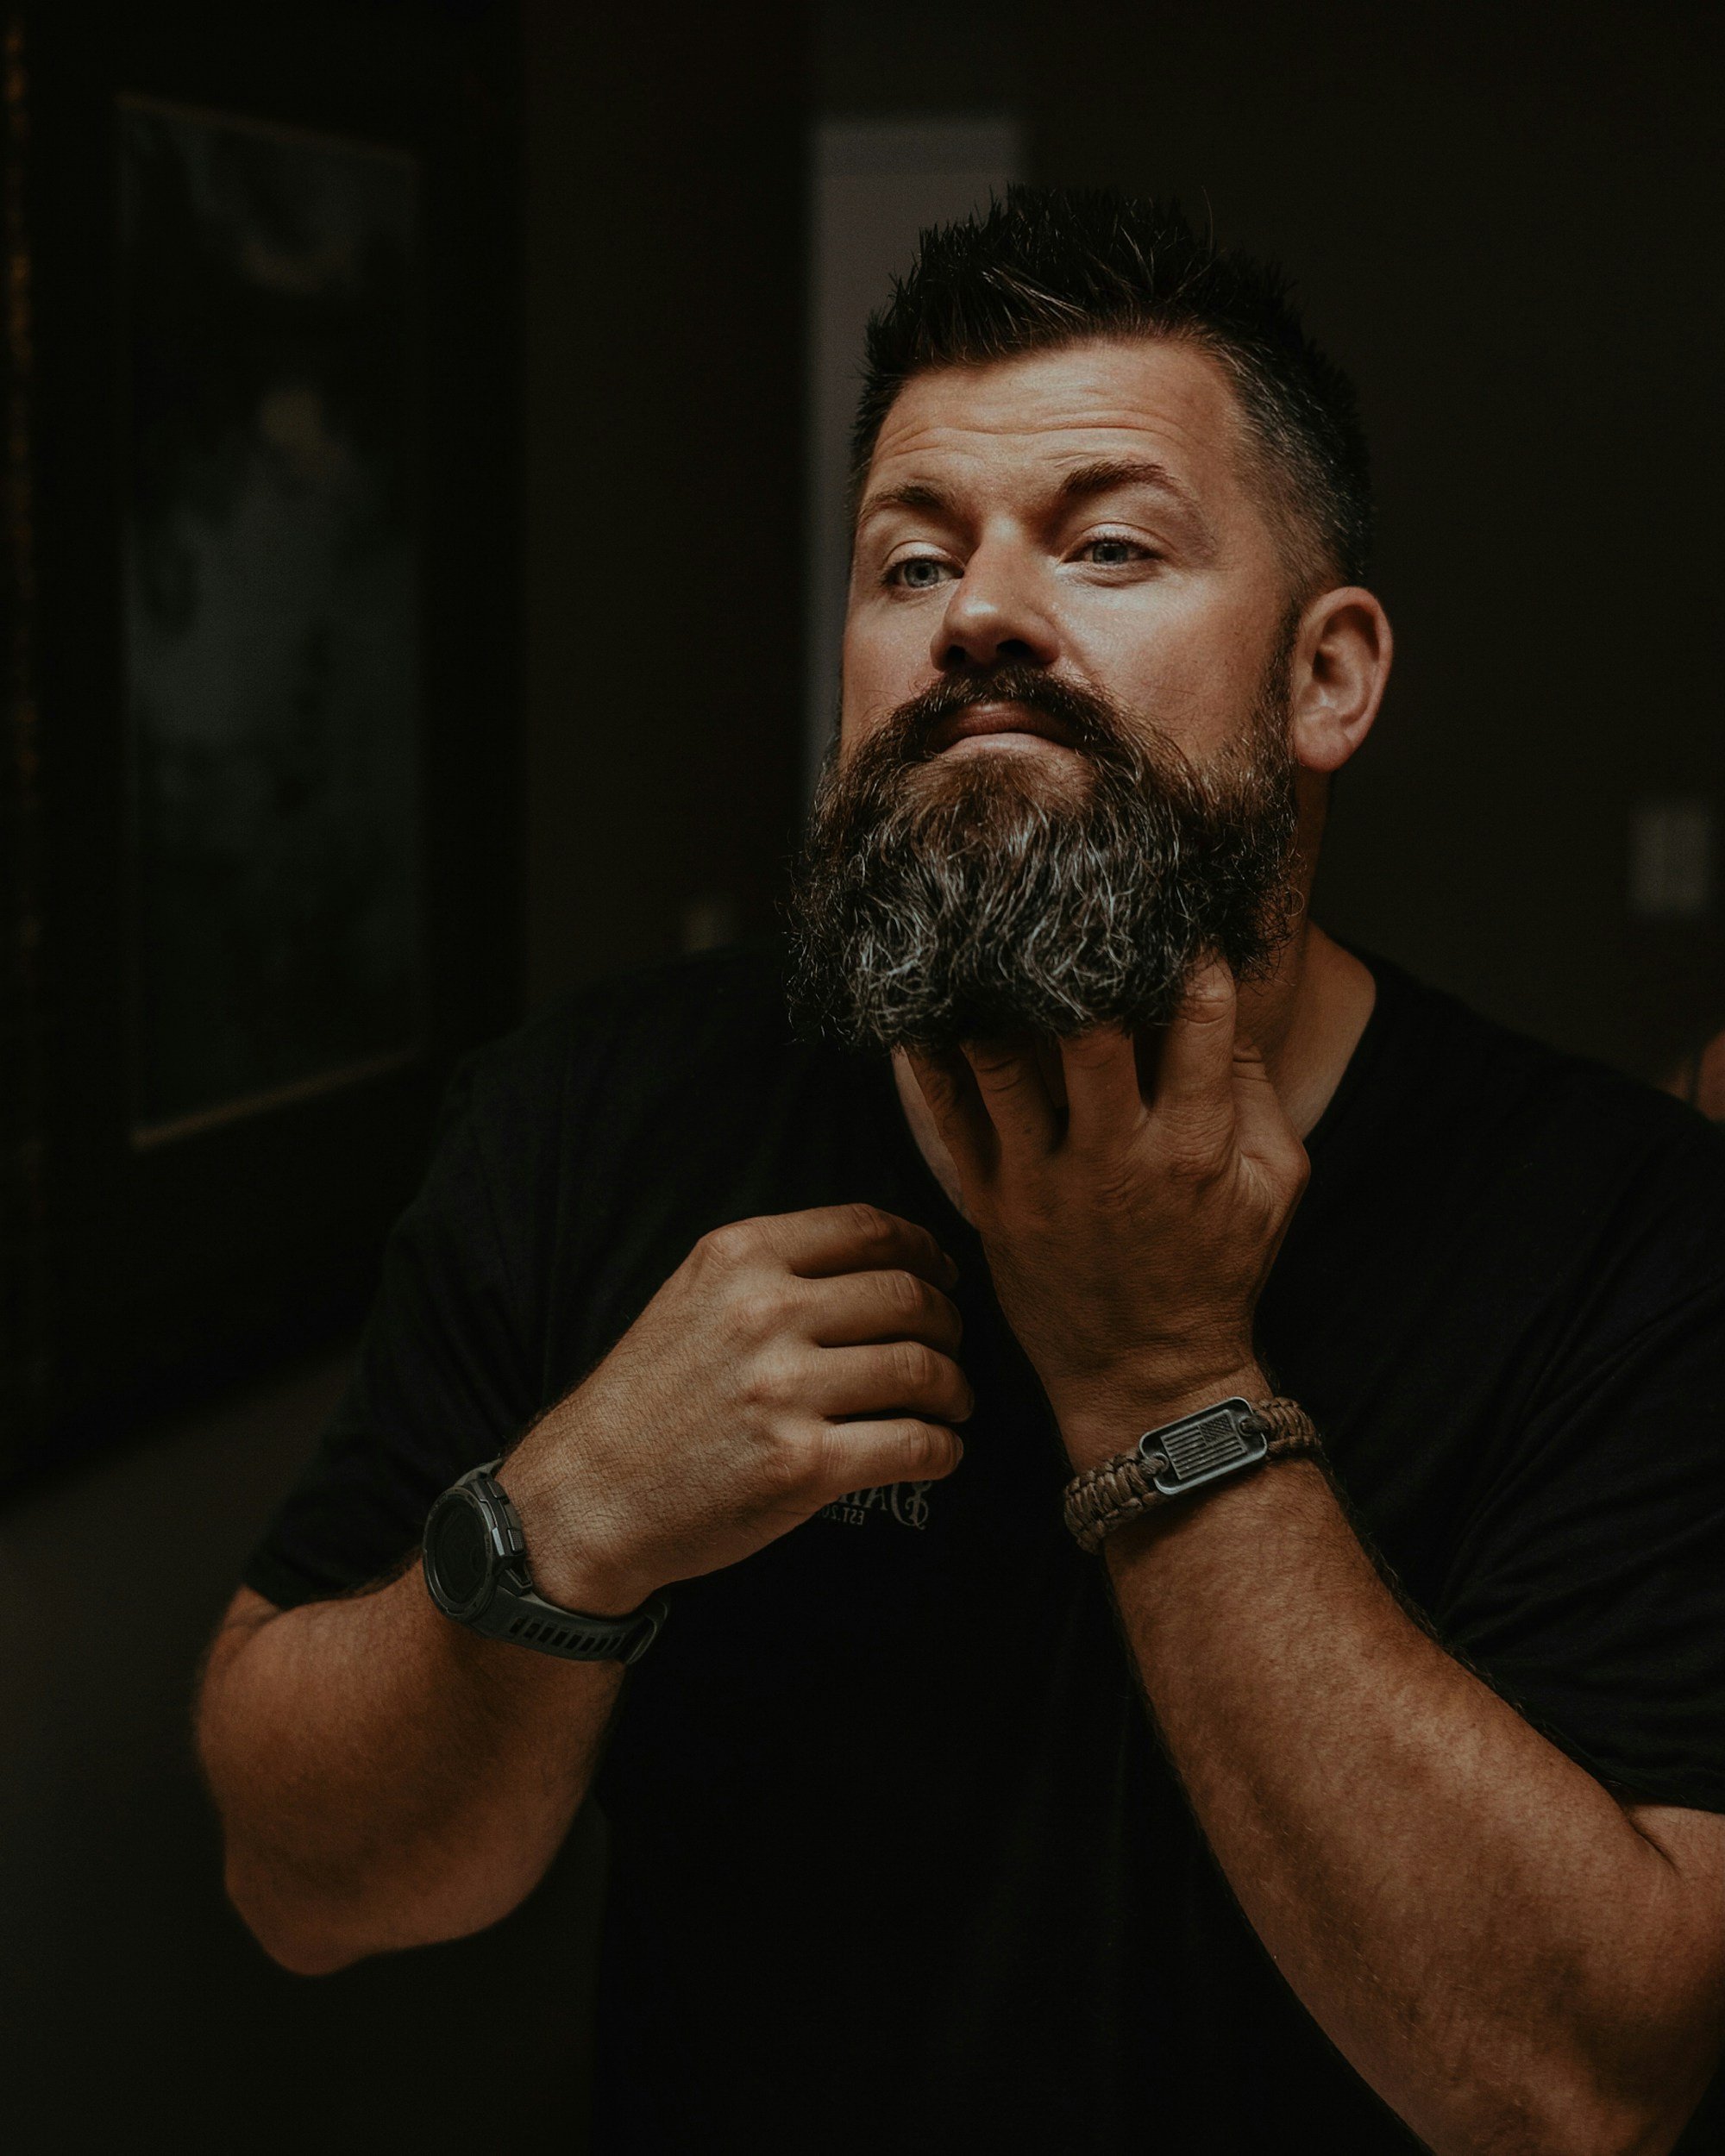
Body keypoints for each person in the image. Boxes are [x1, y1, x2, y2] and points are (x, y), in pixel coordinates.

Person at [196, 189, 1725, 2153]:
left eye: (1106, 543)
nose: (979, 610)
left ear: (1326, 676)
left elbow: (1580, 2087)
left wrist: (1165, 1384)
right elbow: (298, 1882)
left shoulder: (1620, 1228)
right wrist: (558, 1522)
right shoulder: (597, 1114)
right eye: (909, 561)